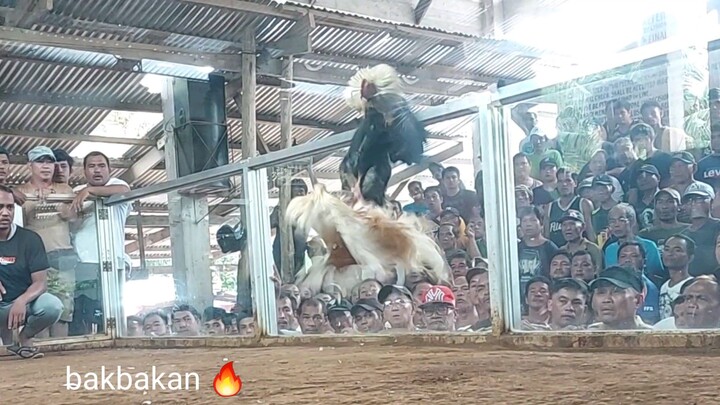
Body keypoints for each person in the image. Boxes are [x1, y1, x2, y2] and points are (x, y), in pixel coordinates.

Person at [15, 146, 78, 338]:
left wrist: (54, 201)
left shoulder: (64, 189)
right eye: (40, 161)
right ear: (30, 165)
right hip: (33, 263)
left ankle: (60, 354)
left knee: (63, 314)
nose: (45, 166)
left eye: (49, 161)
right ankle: (40, 354)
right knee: (39, 313)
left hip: (62, 259)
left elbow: (74, 218)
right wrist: (26, 199)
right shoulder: (20, 192)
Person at [70, 151, 131, 335]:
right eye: (91, 166)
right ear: (84, 171)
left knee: (113, 313)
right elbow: (71, 223)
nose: (97, 170)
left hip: (112, 261)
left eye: (101, 166)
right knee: (84, 312)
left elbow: (125, 191)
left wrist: (89, 191)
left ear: (109, 169)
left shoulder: (118, 185)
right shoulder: (76, 192)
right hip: (84, 263)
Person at [0, 185, 63, 358]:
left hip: (26, 304)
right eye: (0, 207)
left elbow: (40, 283)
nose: (5, 213)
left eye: (10, 207)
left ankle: (25, 337)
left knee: (52, 306)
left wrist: (21, 301)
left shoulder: (30, 239)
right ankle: (9, 346)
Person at [588, 266, 653, 330]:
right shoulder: (587, 334)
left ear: (638, 301)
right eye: (601, 292)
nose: (606, 300)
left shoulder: (653, 335)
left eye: (616, 292)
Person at [544, 169, 595, 246]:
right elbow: (547, 237)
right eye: (560, 181)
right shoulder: (549, 207)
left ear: (575, 183)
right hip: (557, 252)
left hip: (580, 251)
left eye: (568, 180)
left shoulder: (584, 204)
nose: (564, 184)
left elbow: (591, 234)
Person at [659, 235, 694, 321]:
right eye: (666, 249)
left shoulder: (693, 287)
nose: (670, 253)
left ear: (690, 257)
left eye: (677, 250)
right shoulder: (664, 286)